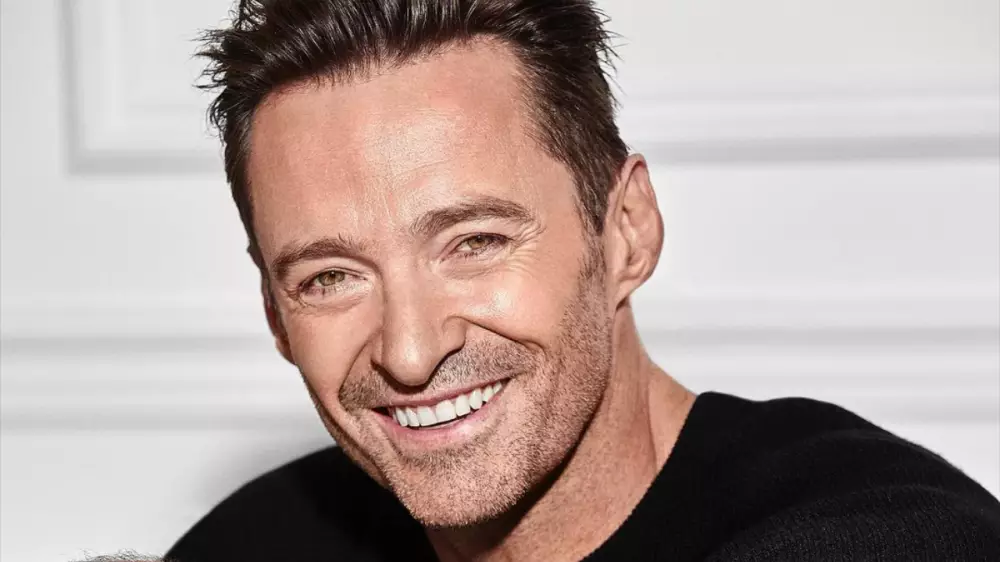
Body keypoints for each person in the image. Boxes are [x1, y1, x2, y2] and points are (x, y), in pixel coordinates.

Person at [167, 0, 1000, 560]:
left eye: (475, 241)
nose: (410, 352)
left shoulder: (877, 539)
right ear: (274, 314)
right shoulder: (251, 543)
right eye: (330, 278)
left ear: (626, 229)